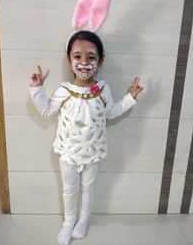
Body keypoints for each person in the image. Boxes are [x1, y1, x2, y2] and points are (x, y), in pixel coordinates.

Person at [29, 30, 143, 245]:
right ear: (69, 60)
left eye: (91, 57)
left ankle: (83, 220)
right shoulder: (64, 89)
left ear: (100, 62)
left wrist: (130, 97)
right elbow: (46, 111)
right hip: (68, 153)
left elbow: (110, 112)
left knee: (88, 188)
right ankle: (69, 221)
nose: (84, 63)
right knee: (69, 189)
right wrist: (37, 89)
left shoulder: (103, 89)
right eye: (77, 57)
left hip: (93, 151)